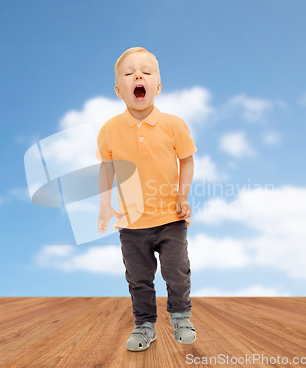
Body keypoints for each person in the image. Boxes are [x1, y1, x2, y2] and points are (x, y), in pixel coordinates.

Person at [96, 47, 197, 352]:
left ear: (158, 86)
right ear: (119, 90)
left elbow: (187, 160)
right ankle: (145, 325)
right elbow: (106, 169)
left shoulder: (174, 125)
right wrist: (104, 205)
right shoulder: (110, 130)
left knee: (176, 272)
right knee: (139, 279)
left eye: (146, 72)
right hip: (131, 223)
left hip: (171, 219)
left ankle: (181, 317)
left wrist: (183, 196)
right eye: (129, 73)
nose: (137, 76)